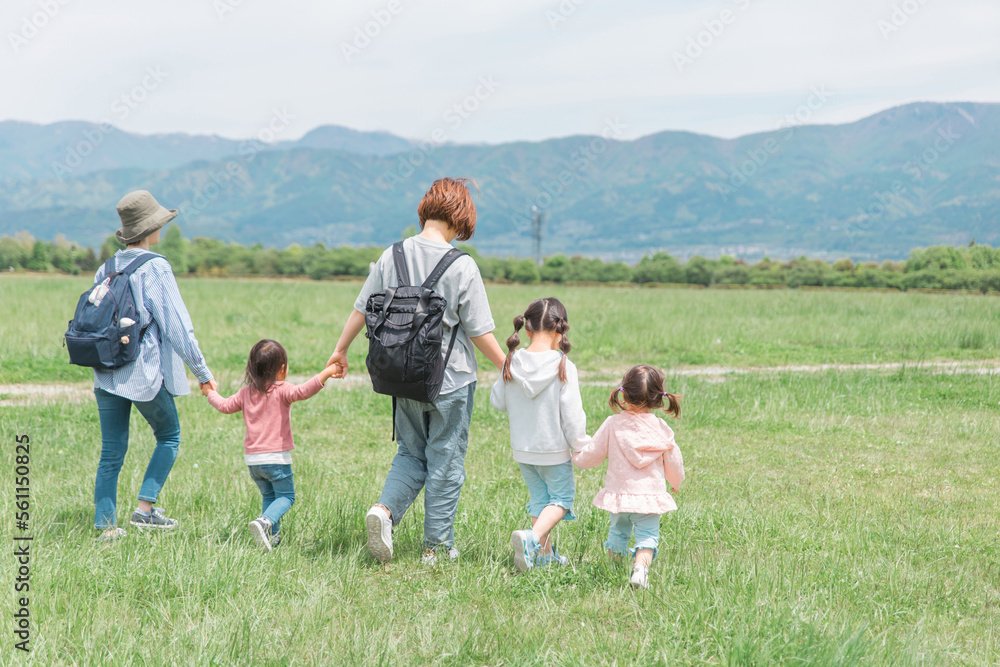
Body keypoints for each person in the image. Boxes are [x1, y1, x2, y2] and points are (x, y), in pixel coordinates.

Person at [326, 177, 506, 565]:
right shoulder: (462, 265)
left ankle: (385, 512)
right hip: (450, 380)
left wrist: (340, 350)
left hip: (401, 377)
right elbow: (479, 330)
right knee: (446, 460)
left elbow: (362, 309)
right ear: (460, 219)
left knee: (411, 452)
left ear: (426, 209)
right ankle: (436, 548)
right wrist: (508, 366)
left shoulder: (391, 255)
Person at [92, 190, 217, 543]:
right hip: (142, 372)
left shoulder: (108, 266)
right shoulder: (156, 266)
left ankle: (106, 527)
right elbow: (177, 326)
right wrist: (203, 374)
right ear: (152, 229)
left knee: (111, 451)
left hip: (106, 370)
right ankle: (144, 511)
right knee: (169, 436)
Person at [204, 339, 339, 552]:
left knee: (269, 496)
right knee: (286, 496)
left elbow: (224, 405)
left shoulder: (245, 393)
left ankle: (271, 538)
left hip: (253, 462)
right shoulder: (282, 390)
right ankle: (265, 522)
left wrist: (210, 393)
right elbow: (304, 390)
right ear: (282, 369)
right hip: (276, 459)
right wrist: (327, 372)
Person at [490, 297, 589, 572]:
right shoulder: (563, 365)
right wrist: (582, 445)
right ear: (561, 330)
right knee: (561, 500)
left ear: (528, 329)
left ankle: (543, 557)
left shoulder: (512, 361)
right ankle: (532, 541)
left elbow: (497, 402)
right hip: (554, 451)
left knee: (539, 501)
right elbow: (572, 415)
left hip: (523, 451)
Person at [572, 365, 685, 589]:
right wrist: (676, 483)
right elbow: (674, 461)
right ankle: (640, 570)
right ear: (658, 398)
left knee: (618, 531)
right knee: (647, 536)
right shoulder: (662, 429)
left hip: (620, 496)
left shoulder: (613, 424)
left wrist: (577, 458)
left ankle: (612, 572)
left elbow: (593, 455)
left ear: (624, 393)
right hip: (649, 497)